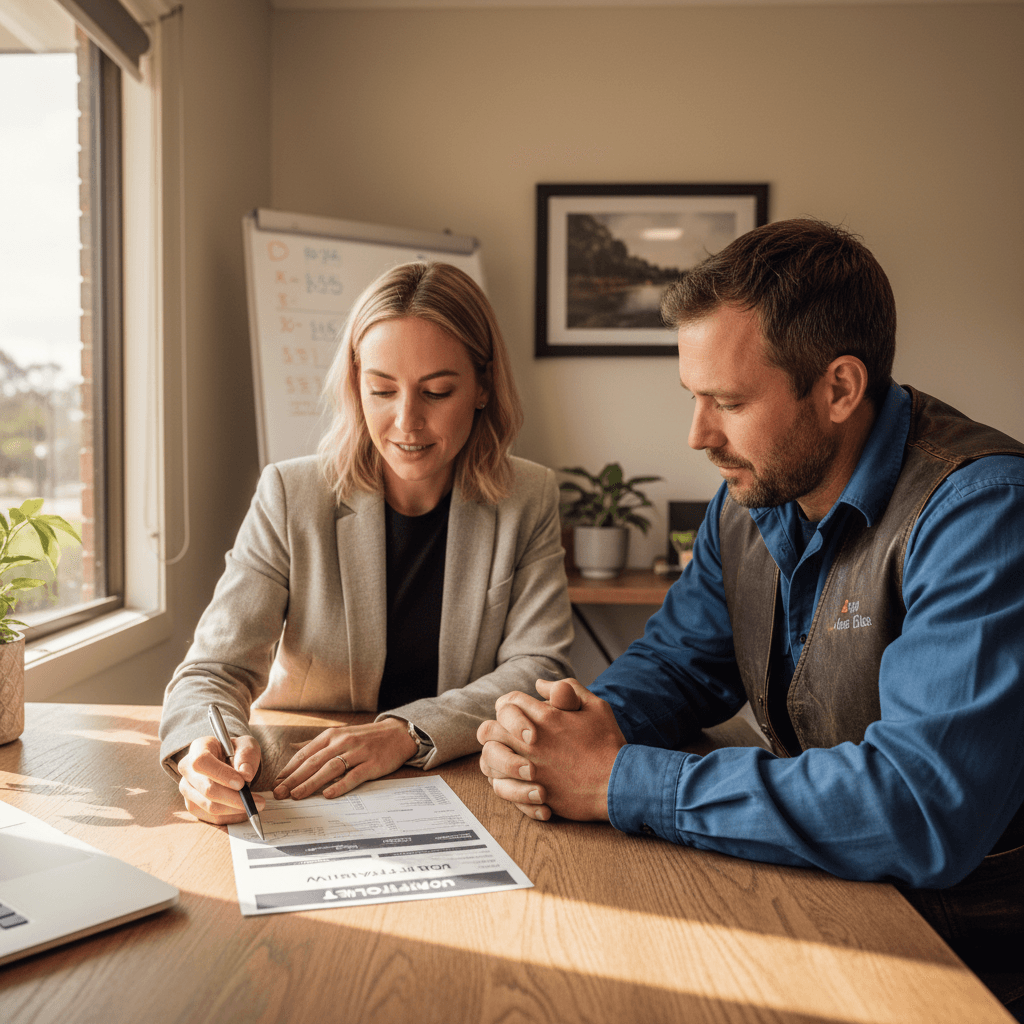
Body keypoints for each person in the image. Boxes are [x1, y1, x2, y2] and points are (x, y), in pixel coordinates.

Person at [478, 219, 1024, 1016]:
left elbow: (920, 806)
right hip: (824, 902)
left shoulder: (982, 514)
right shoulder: (752, 496)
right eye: (693, 397)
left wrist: (617, 778)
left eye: (728, 402)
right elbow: (679, 662)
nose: (697, 435)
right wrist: (574, 726)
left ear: (839, 388)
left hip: (963, 956)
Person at [160, 261, 573, 828]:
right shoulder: (290, 493)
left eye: (436, 391)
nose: (407, 421)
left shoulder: (529, 495)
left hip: (457, 773)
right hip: (303, 773)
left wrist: (404, 733)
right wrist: (204, 750)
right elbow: (213, 671)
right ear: (356, 386)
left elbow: (537, 666)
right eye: (382, 389)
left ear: (481, 387)